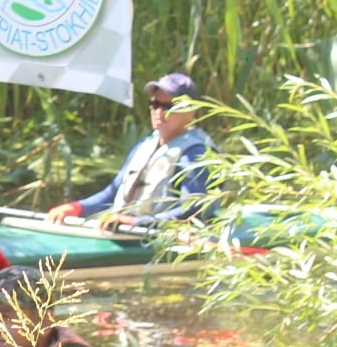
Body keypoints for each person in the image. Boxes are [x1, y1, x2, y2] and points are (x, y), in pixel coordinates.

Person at [46, 72, 213, 230]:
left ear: (190, 112)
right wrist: (77, 207)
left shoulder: (195, 154)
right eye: (155, 105)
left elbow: (192, 209)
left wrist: (136, 223)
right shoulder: (145, 146)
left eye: (168, 106)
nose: (159, 112)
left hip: (154, 237)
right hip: (123, 231)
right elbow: (111, 193)